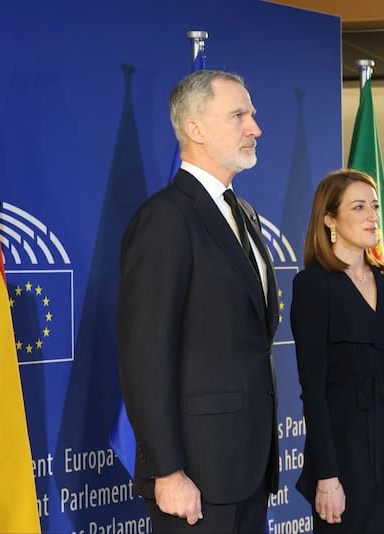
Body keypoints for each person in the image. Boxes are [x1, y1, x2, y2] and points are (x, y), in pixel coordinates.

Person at [116, 70, 280, 532]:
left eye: (252, 114)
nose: (255, 127)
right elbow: (145, 356)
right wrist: (167, 471)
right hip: (195, 474)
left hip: (247, 469)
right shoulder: (165, 219)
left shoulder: (242, 212)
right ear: (195, 129)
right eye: (239, 115)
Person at [290, 170, 384, 533]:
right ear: (330, 218)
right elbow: (313, 390)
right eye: (359, 207)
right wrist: (327, 476)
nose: (371, 217)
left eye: (375, 207)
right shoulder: (313, 285)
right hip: (345, 452)